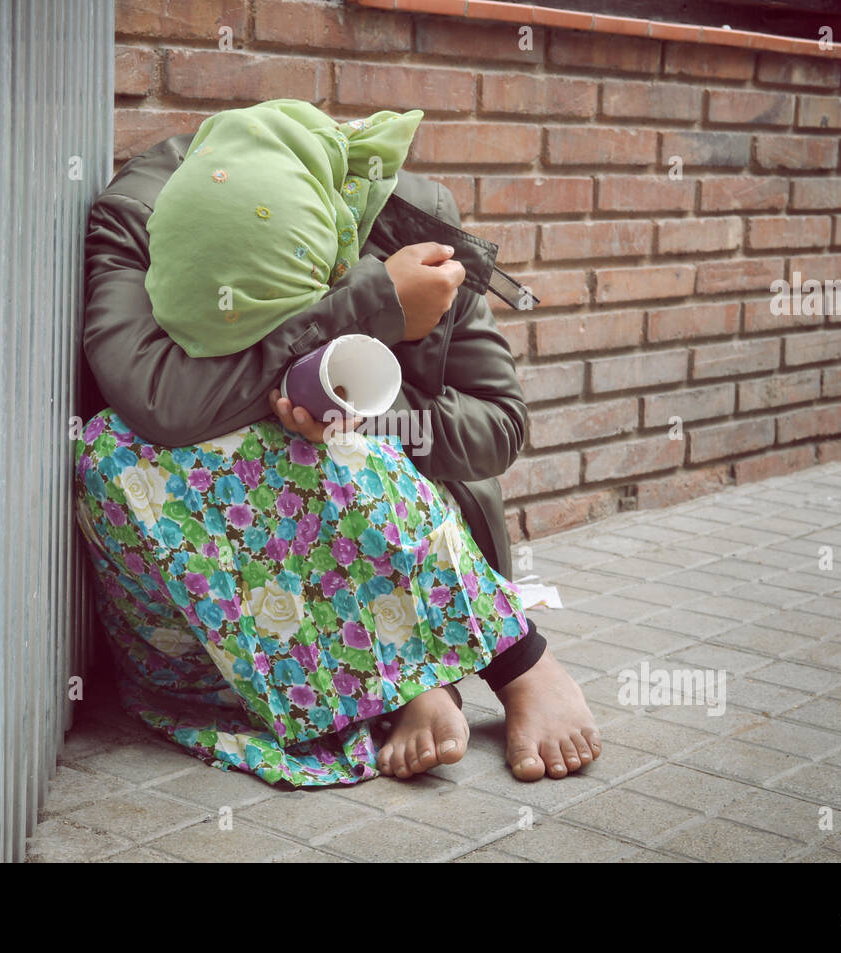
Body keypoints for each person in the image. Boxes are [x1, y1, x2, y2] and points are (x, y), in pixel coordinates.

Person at [74, 105, 600, 788]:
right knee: (135, 444)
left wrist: (359, 405)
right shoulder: (138, 222)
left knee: (337, 439)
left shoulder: (409, 220)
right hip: (235, 544)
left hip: (403, 507)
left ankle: (516, 663)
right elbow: (164, 402)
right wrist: (360, 308)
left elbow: (500, 425)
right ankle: (406, 683)